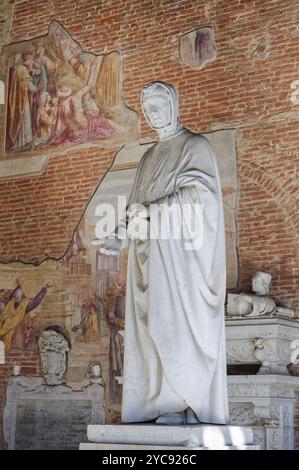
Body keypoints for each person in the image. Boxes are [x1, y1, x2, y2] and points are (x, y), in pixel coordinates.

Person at [99, 81, 229, 425]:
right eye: (148, 110)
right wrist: (121, 235)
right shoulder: (148, 158)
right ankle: (158, 401)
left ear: (174, 106)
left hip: (182, 267)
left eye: (159, 106)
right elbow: (137, 208)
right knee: (150, 331)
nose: (154, 114)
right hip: (151, 264)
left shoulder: (195, 146)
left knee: (175, 330)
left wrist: (156, 211)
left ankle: (183, 402)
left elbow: (203, 201)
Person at [0, 280, 52, 350]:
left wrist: (45, 288)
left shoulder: (23, 306)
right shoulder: (7, 306)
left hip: (17, 337)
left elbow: (35, 301)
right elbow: (35, 301)